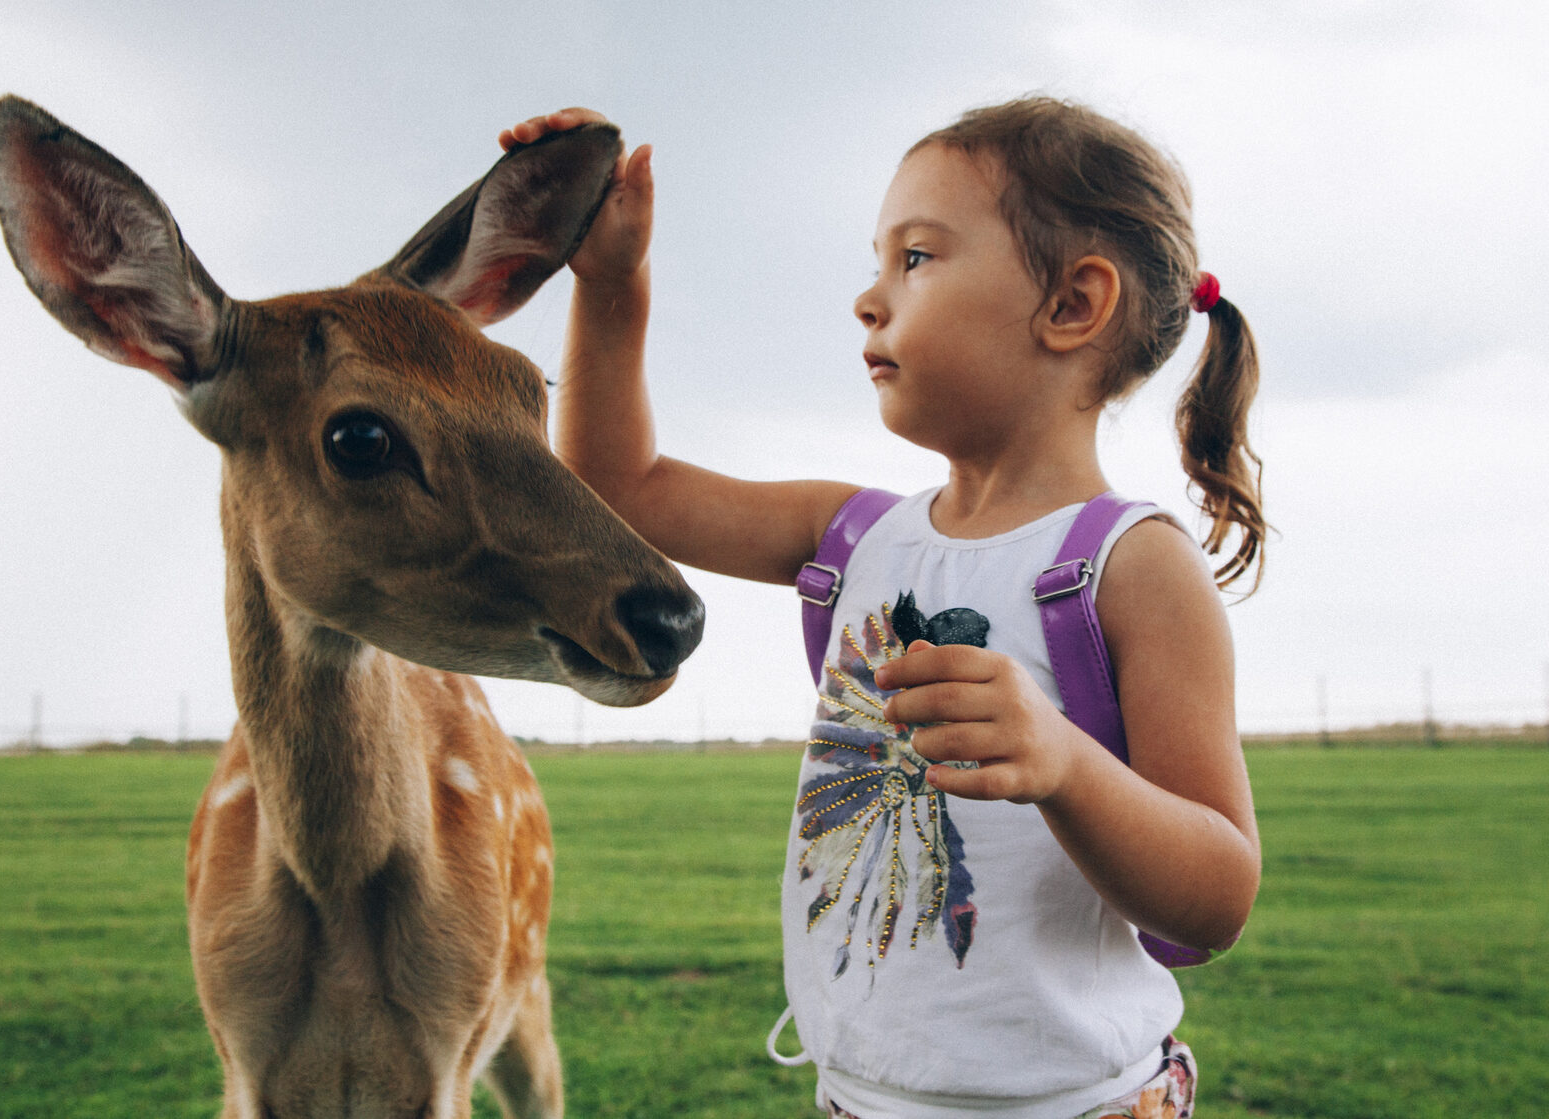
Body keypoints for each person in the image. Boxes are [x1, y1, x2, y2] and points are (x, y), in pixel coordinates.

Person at [500, 98, 1263, 1119]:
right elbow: (613, 483)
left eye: (916, 258)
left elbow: (1215, 898)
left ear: (1073, 305)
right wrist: (610, 285)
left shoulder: (1129, 567)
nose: (869, 298)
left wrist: (1065, 762)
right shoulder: (855, 537)